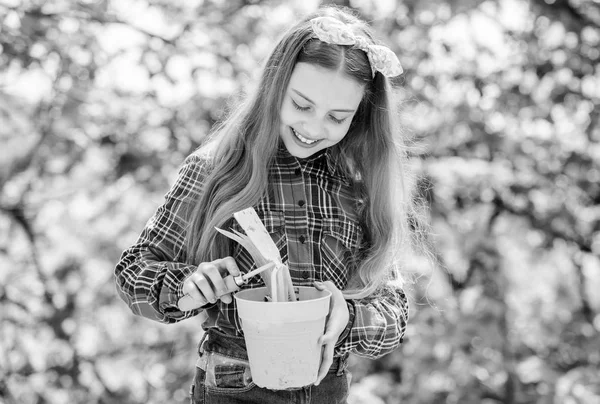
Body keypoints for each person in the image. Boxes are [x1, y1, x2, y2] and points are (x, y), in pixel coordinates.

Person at [115, 5, 417, 404]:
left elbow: (393, 311)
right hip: (234, 386)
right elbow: (133, 273)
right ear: (275, 86)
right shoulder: (215, 171)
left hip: (327, 388)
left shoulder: (358, 189)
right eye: (302, 105)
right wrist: (191, 286)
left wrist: (346, 317)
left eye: (337, 117)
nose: (313, 128)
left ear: (359, 117)